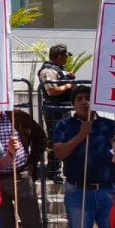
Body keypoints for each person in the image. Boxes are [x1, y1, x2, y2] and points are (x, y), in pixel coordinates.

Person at [53, 85, 115, 228]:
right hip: (78, 193)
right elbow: (60, 153)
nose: (84, 102)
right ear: (73, 105)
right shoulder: (64, 125)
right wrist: (81, 135)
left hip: (109, 191)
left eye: (88, 98)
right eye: (80, 99)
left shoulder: (110, 125)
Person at [0, 110, 45, 228]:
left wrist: (32, 163)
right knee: (5, 225)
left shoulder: (18, 116)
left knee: (32, 223)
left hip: (21, 177)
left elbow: (40, 137)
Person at [38, 44, 76, 179]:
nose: (67, 58)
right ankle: (53, 171)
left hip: (64, 108)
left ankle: (65, 169)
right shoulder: (48, 71)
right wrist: (68, 85)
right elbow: (52, 90)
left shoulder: (59, 69)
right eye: (65, 56)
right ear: (59, 56)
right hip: (54, 109)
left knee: (67, 137)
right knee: (56, 139)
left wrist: (69, 78)